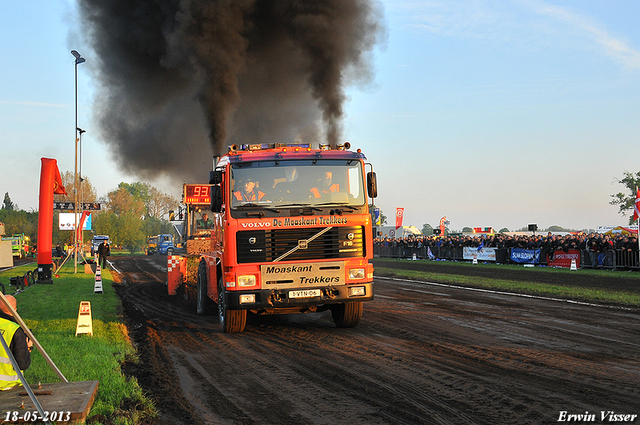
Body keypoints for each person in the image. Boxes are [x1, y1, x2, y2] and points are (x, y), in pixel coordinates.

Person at [0, 295, 32, 391]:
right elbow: (23, 364)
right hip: (8, 386)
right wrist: (28, 348)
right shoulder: (15, 331)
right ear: (14, 309)